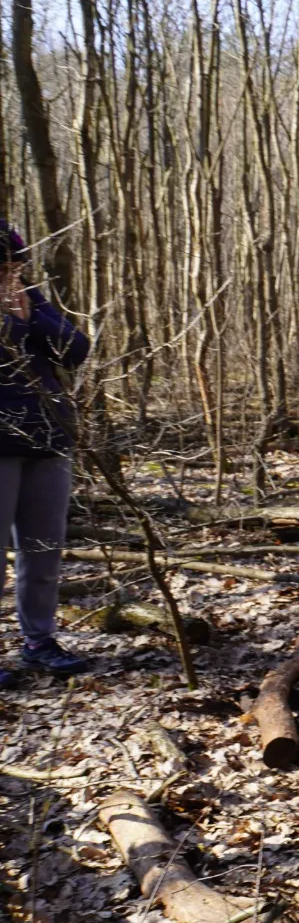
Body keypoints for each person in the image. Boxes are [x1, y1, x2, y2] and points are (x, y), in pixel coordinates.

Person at [0, 221, 90, 687]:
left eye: (17, 263)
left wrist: (30, 312)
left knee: (43, 549)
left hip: (49, 437)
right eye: (5, 264)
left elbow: (75, 349)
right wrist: (12, 325)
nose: (12, 272)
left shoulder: (32, 298)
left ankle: (39, 641)